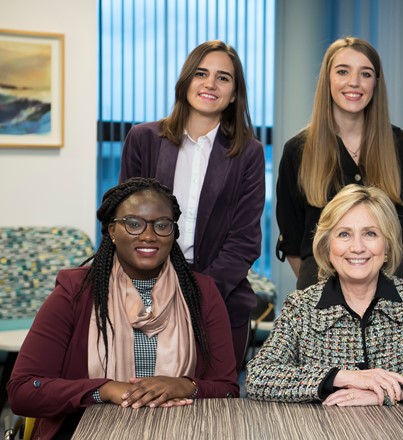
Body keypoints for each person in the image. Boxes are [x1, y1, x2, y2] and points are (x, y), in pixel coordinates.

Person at [8, 178, 238, 439]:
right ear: (112, 231)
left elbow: (227, 388)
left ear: (173, 233)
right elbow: (23, 390)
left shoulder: (201, 292)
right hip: (89, 429)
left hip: (181, 429)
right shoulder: (76, 291)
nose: (149, 235)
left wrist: (186, 385)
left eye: (162, 225)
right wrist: (104, 390)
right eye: (133, 223)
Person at [247, 185, 403, 405]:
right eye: (344, 234)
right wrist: (340, 377)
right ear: (328, 247)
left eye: (370, 234)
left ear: (387, 246)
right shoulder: (301, 306)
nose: (357, 247)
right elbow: (258, 376)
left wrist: (391, 391)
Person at [119, 40, 265, 372]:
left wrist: (195, 294)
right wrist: (155, 291)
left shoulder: (249, 153)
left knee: (214, 412)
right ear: (186, 81)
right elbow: (125, 222)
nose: (210, 84)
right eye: (201, 73)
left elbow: (244, 240)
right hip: (145, 298)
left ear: (233, 94)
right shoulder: (143, 139)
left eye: (223, 78)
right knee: (142, 407)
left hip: (220, 300)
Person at [276, 36, 403, 290]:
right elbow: (292, 245)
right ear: (328, 79)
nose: (354, 82)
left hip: (391, 297)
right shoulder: (297, 151)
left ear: (376, 83)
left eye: (365, 74)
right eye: (343, 71)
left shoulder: (402, 147)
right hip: (319, 298)